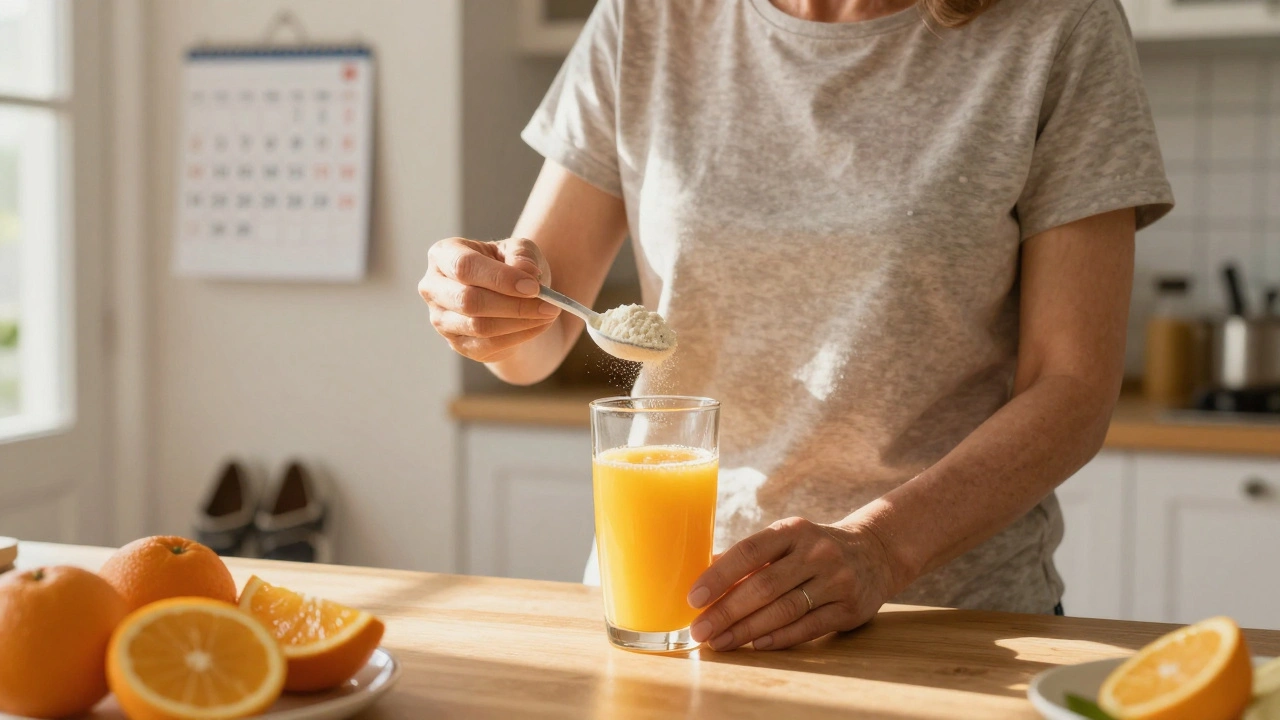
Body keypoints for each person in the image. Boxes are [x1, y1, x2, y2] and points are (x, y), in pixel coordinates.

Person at [419, 0, 1172, 652]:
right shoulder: (647, 19)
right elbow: (538, 340)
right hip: (675, 614)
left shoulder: (1060, 24)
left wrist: (880, 548)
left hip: (947, 622)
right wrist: (489, 310)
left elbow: (1072, 388)